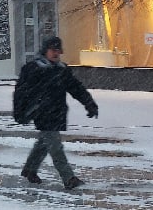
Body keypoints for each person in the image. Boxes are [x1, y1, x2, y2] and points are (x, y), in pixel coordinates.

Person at [13, 35, 98, 191]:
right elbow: (20, 92)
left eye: (58, 50)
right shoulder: (33, 68)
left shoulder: (61, 70)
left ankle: (30, 170)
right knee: (55, 146)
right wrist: (20, 111)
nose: (56, 54)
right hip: (41, 112)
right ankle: (68, 178)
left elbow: (76, 88)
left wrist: (89, 104)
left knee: (44, 143)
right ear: (45, 50)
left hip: (57, 112)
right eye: (53, 50)